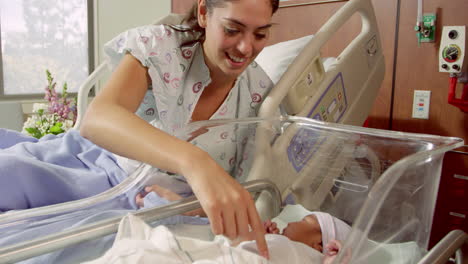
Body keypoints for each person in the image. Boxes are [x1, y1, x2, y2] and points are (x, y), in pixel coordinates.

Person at [79, 0, 280, 259]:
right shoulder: (161, 47)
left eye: (260, 34)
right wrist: (194, 162)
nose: (246, 47)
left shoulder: (261, 95)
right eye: (232, 30)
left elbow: (248, 193)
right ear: (204, 13)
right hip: (107, 172)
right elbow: (97, 118)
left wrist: (190, 207)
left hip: (171, 207)